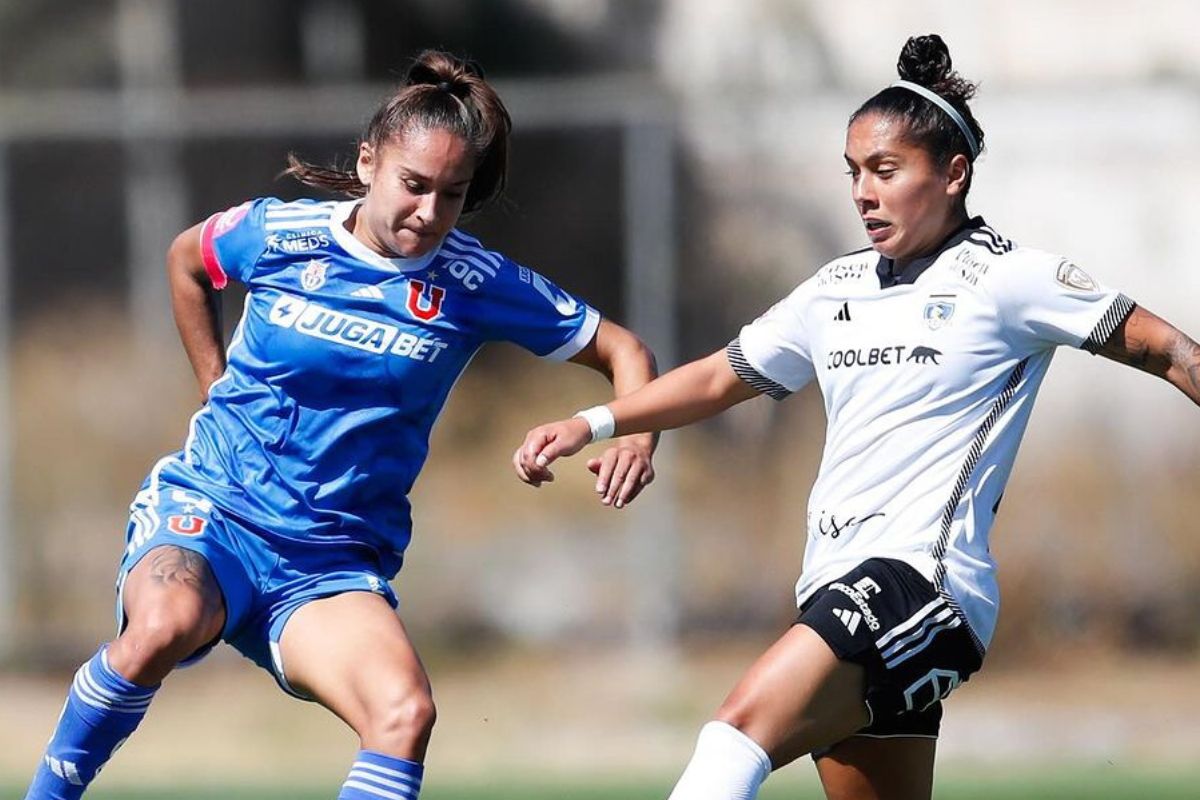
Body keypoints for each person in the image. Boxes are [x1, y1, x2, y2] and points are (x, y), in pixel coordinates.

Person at [514, 33, 1200, 800]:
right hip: (834, 585)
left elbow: (1173, 352)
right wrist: (595, 422)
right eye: (853, 172)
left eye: (885, 170)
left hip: (923, 586)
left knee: (735, 733)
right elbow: (714, 378)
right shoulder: (834, 290)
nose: (863, 193)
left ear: (953, 174)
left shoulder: (1010, 281)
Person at [25, 50, 657, 800]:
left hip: (328, 562)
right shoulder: (280, 233)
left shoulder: (473, 282)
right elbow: (187, 261)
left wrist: (630, 433)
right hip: (215, 512)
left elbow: (624, 350)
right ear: (368, 163)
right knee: (163, 625)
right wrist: (212, 384)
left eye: (452, 194)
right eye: (414, 185)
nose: (430, 212)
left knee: (404, 713)